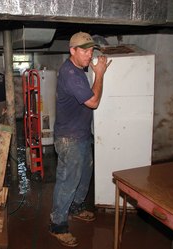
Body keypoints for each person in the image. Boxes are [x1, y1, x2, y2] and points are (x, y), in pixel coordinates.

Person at [49, 32, 111, 247]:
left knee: (84, 174)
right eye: (84, 50)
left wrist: (93, 74)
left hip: (81, 134)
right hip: (69, 138)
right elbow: (93, 102)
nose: (89, 55)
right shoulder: (71, 74)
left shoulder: (79, 69)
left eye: (91, 50)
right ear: (72, 50)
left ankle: (75, 207)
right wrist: (100, 74)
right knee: (68, 181)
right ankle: (58, 224)